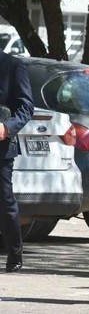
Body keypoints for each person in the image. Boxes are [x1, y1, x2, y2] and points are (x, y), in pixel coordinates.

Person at [0, 50, 34, 273]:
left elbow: (26, 107)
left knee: (4, 201)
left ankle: (14, 252)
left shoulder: (12, 65)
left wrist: (7, 127)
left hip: (1, 147)